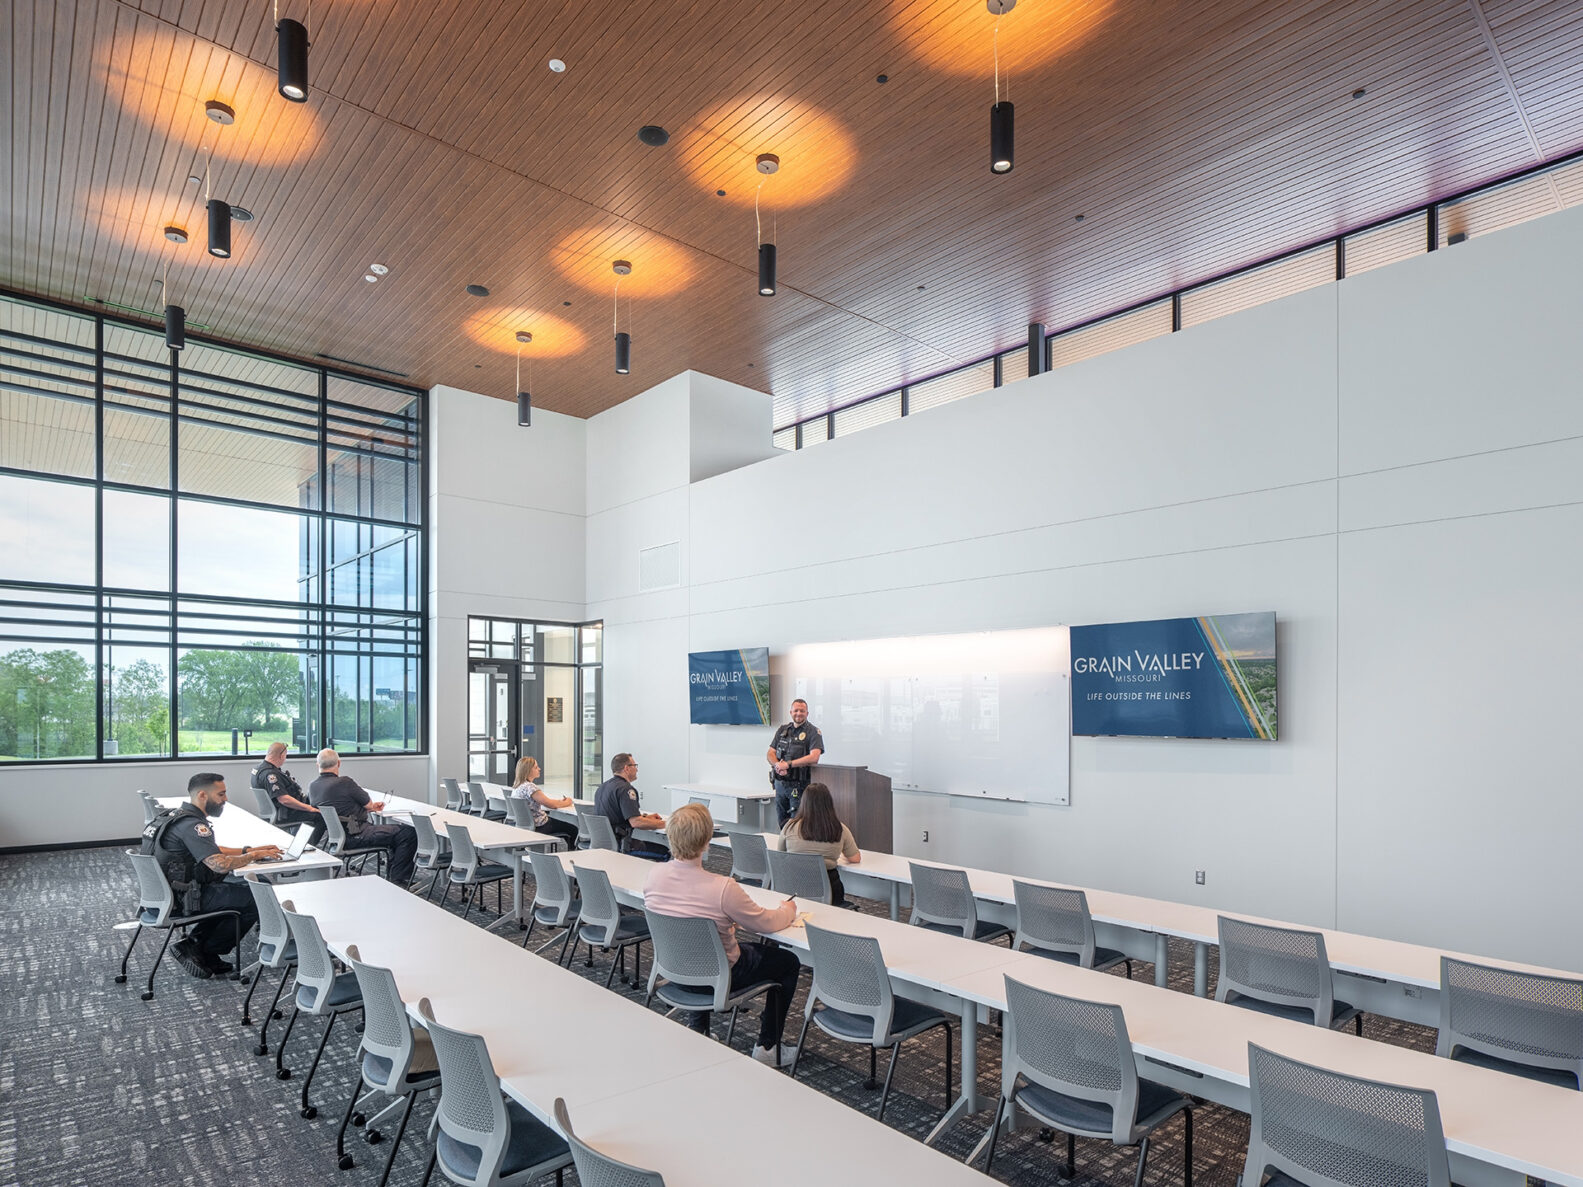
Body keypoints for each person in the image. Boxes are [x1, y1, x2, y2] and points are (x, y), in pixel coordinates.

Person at [643, 803, 803, 1066]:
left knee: (700, 947)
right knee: (787, 962)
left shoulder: (653, 875)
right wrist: (788, 909)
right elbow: (764, 923)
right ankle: (768, 1047)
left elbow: (684, 915)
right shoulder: (723, 888)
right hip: (721, 977)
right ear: (707, 841)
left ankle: (699, 1031)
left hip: (673, 970)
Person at [143, 772, 281, 979]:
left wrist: (247, 850)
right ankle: (203, 949)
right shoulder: (194, 826)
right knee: (257, 897)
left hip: (167, 893)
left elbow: (210, 849)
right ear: (202, 796)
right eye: (221, 794)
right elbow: (218, 865)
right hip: (184, 898)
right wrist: (255, 855)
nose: (225, 799)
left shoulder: (175, 817)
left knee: (256, 883)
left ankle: (196, 945)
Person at [308, 748, 418, 885]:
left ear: (317, 765)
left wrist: (366, 808)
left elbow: (341, 807)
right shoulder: (345, 782)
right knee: (407, 832)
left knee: (394, 833)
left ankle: (393, 876)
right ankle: (399, 880)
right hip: (356, 834)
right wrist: (370, 807)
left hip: (336, 837)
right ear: (339, 763)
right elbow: (368, 803)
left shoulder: (312, 786)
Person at [780, 781, 861, 907]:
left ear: (804, 802)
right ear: (829, 804)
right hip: (829, 893)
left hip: (793, 891)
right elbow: (855, 858)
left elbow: (780, 855)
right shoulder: (839, 828)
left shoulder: (789, 826)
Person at [593, 753, 668, 859]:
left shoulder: (603, 787)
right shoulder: (626, 789)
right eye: (635, 766)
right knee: (666, 853)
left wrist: (645, 818)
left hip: (605, 844)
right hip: (622, 845)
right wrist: (667, 824)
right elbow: (636, 822)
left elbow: (619, 816)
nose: (637, 770)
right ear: (626, 768)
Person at [766, 698, 824, 826]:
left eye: (802, 711)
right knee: (782, 823)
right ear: (790, 712)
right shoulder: (783, 730)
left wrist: (788, 764)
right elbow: (770, 753)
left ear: (807, 713)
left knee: (797, 825)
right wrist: (777, 765)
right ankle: (783, 846)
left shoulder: (813, 732)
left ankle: (795, 846)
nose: (799, 713)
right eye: (796, 710)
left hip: (800, 786)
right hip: (780, 784)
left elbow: (814, 757)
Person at [250, 741, 323, 843]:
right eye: (285, 756)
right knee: (320, 816)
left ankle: (298, 842)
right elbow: (284, 800)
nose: (285, 759)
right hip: (285, 814)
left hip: (281, 811)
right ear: (281, 755)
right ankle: (308, 847)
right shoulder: (270, 774)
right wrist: (309, 808)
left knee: (315, 806)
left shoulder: (258, 769)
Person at [510, 756, 579, 849]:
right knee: (573, 829)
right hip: (540, 825)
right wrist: (568, 802)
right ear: (528, 770)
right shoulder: (530, 787)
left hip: (525, 824)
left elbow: (546, 801)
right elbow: (552, 805)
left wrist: (559, 802)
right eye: (536, 767)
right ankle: (572, 856)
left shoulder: (517, 786)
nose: (539, 769)